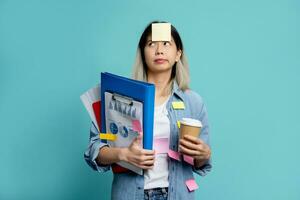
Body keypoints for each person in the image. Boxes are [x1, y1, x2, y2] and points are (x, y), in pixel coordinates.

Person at [84, 21, 212, 200]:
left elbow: (201, 163)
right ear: (143, 53)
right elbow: (95, 149)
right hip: (130, 194)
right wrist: (124, 154)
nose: (159, 50)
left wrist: (204, 154)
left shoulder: (193, 102)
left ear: (178, 54)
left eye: (166, 43)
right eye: (152, 44)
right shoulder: (117, 96)